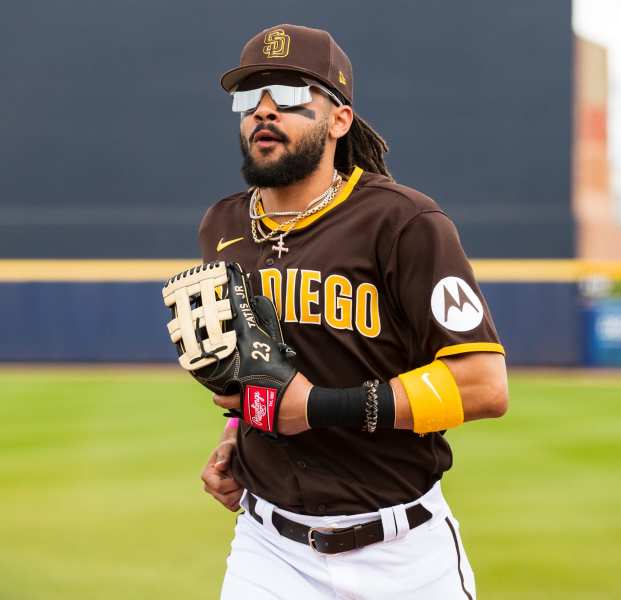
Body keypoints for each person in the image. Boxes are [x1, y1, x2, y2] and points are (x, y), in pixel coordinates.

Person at [197, 24, 508, 600]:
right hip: (269, 551)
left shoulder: (404, 223)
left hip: (403, 557)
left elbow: (484, 386)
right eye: (249, 98)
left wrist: (315, 407)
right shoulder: (224, 226)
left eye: (289, 97)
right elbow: (261, 367)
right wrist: (236, 431)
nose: (264, 112)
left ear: (339, 120)